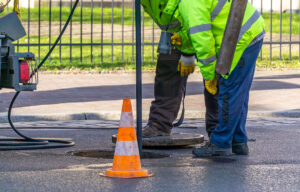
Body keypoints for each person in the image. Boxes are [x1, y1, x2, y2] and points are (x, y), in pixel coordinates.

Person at [141, 0, 265, 157]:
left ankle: (220, 143)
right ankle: (238, 140)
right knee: (237, 92)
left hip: (240, 37)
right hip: (248, 32)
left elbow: (203, 41)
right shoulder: (184, 4)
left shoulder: (189, 4)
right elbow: (195, 28)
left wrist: (210, 76)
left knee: (227, 91)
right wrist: (184, 41)